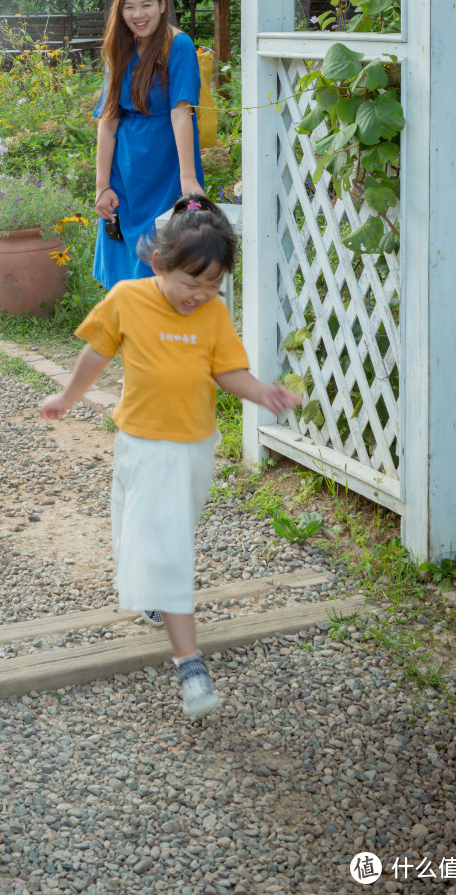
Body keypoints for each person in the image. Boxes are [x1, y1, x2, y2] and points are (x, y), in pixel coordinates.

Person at [39, 197, 302, 719]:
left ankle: (152, 588)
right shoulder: (126, 299)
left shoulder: (213, 313)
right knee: (164, 541)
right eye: (191, 283)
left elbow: (226, 371)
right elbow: (96, 352)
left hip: (194, 444)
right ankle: (190, 664)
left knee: (162, 526)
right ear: (160, 263)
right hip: (141, 440)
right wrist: (67, 398)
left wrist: (261, 393)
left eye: (213, 286)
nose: (200, 296)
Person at [93, 0, 205, 289]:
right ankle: (128, 337)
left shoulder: (178, 45)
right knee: (125, 278)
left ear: (163, 4)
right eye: (129, 7)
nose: (138, 15)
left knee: (164, 266)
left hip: (168, 172)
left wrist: (188, 179)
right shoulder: (120, 47)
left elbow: (181, 112)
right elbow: (108, 120)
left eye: (146, 5)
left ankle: (161, 338)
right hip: (125, 176)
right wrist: (102, 185)